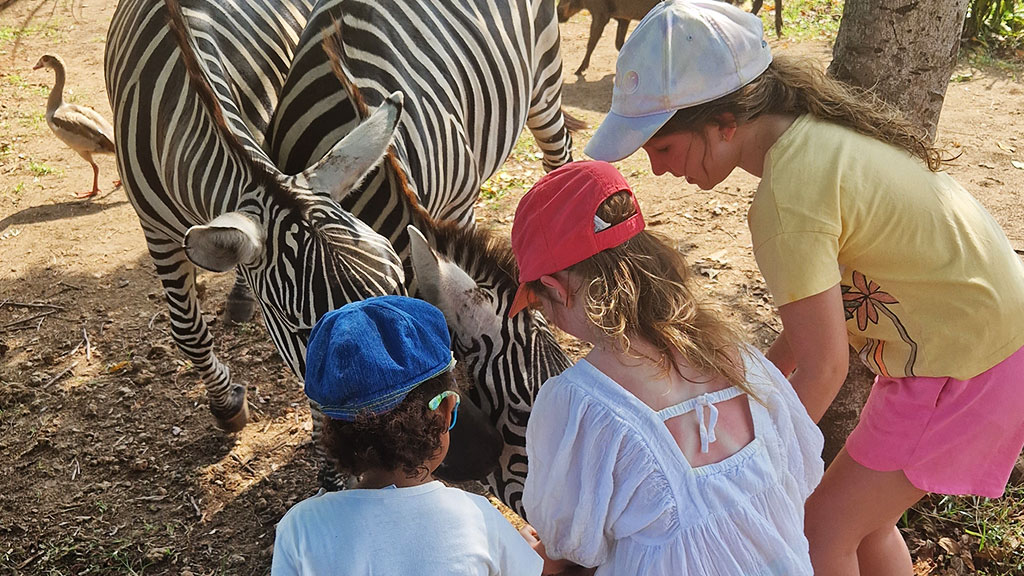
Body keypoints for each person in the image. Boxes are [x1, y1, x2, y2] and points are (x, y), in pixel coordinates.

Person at [582, 1, 1024, 575]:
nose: (659, 171)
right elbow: (811, 326)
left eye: (661, 148)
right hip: (974, 346)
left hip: (964, 368)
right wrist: (748, 391)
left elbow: (824, 369)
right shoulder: (812, 143)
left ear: (724, 123)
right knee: (863, 529)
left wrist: (753, 463)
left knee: (820, 531)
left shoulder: (786, 198)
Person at [509, 160, 825, 575]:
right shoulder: (741, 359)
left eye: (539, 303)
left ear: (556, 290)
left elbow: (571, 556)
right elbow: (798, 477)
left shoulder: (580, 402)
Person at [271, 295, 543, 576]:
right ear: (445, 410)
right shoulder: (477, 520)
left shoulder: (300, 529)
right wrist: (508, 550)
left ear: (333, 428)